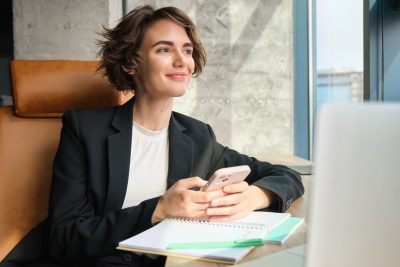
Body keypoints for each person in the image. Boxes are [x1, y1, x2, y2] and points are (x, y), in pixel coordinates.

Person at [47, 5, 304, 267]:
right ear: (130, 63)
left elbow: (286, 176)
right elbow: (63, 239)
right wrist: (159, 210)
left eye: (187, 50)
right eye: (164, 49)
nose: (182, 61)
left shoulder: (198, 136)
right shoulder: (84, 129)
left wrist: (253, 197)